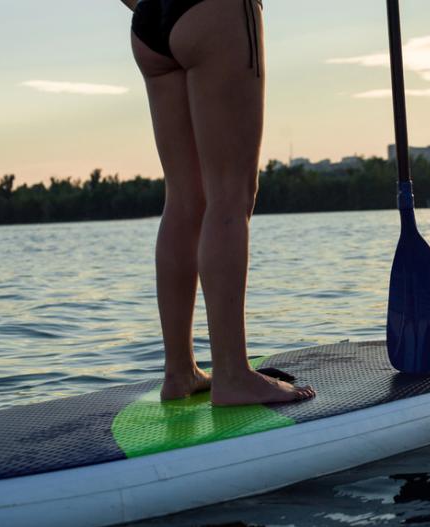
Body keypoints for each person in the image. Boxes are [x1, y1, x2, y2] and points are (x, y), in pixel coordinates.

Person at [121, 0, 315, 405]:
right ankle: (231, 374)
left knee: (184, 200)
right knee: (231, 195)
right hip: (215, 12)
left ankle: (180, 372)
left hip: (150, 22)